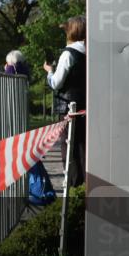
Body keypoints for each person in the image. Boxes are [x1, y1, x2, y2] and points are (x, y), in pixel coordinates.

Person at [43, 16, 86, 187]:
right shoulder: (89, 52)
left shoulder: (68, 54)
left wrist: (49, 71)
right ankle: (84, 184)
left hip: (68, 106)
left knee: (69, 148)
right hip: (84, 105)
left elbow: (56, 83)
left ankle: (73, 185)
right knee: (82, 146)